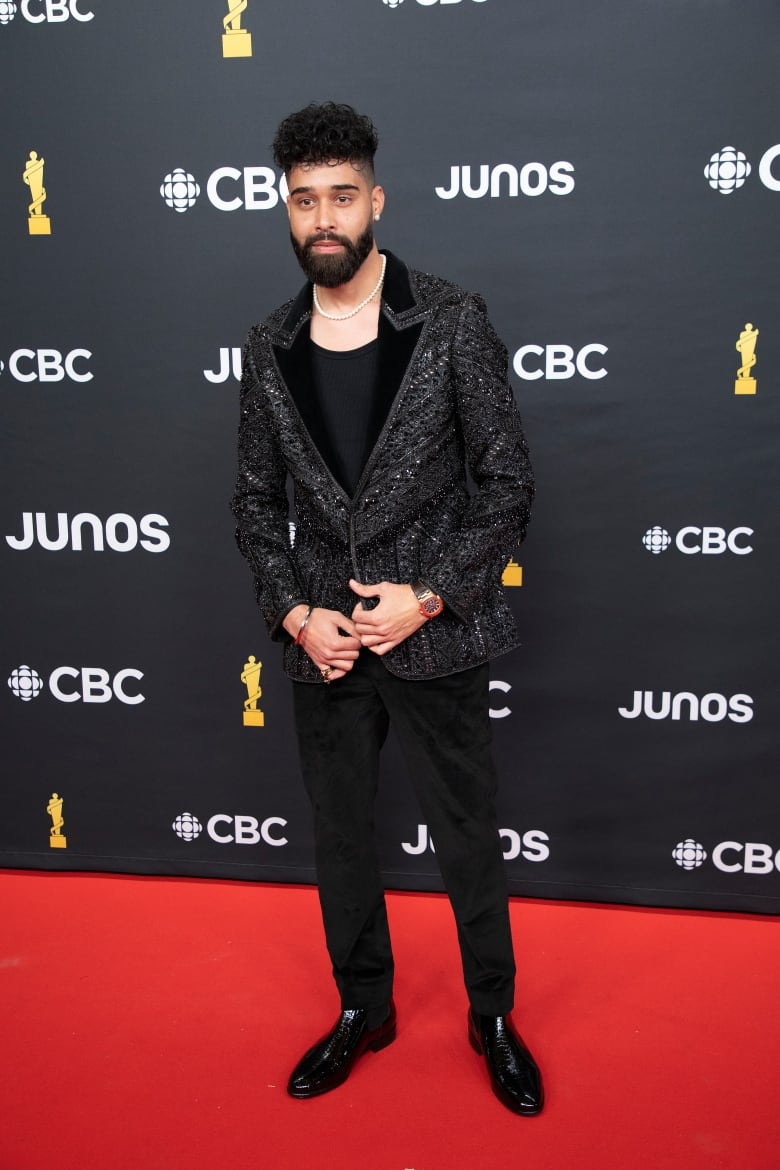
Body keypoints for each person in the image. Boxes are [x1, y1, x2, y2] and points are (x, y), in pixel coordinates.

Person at [231, 102, 542, 1116]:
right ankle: (364, 1009)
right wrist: (293, 614)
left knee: (466, 833)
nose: (324, 218)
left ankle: (491, 1014)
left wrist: (430, 594)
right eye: (304, 200)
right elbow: (251, 500)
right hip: (323, 646)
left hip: (431, 634)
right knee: (341, 838)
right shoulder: (267, 343)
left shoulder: (450, 320)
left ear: (375, 200)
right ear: (287, 209)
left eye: (342, 197)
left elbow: (506, 485)